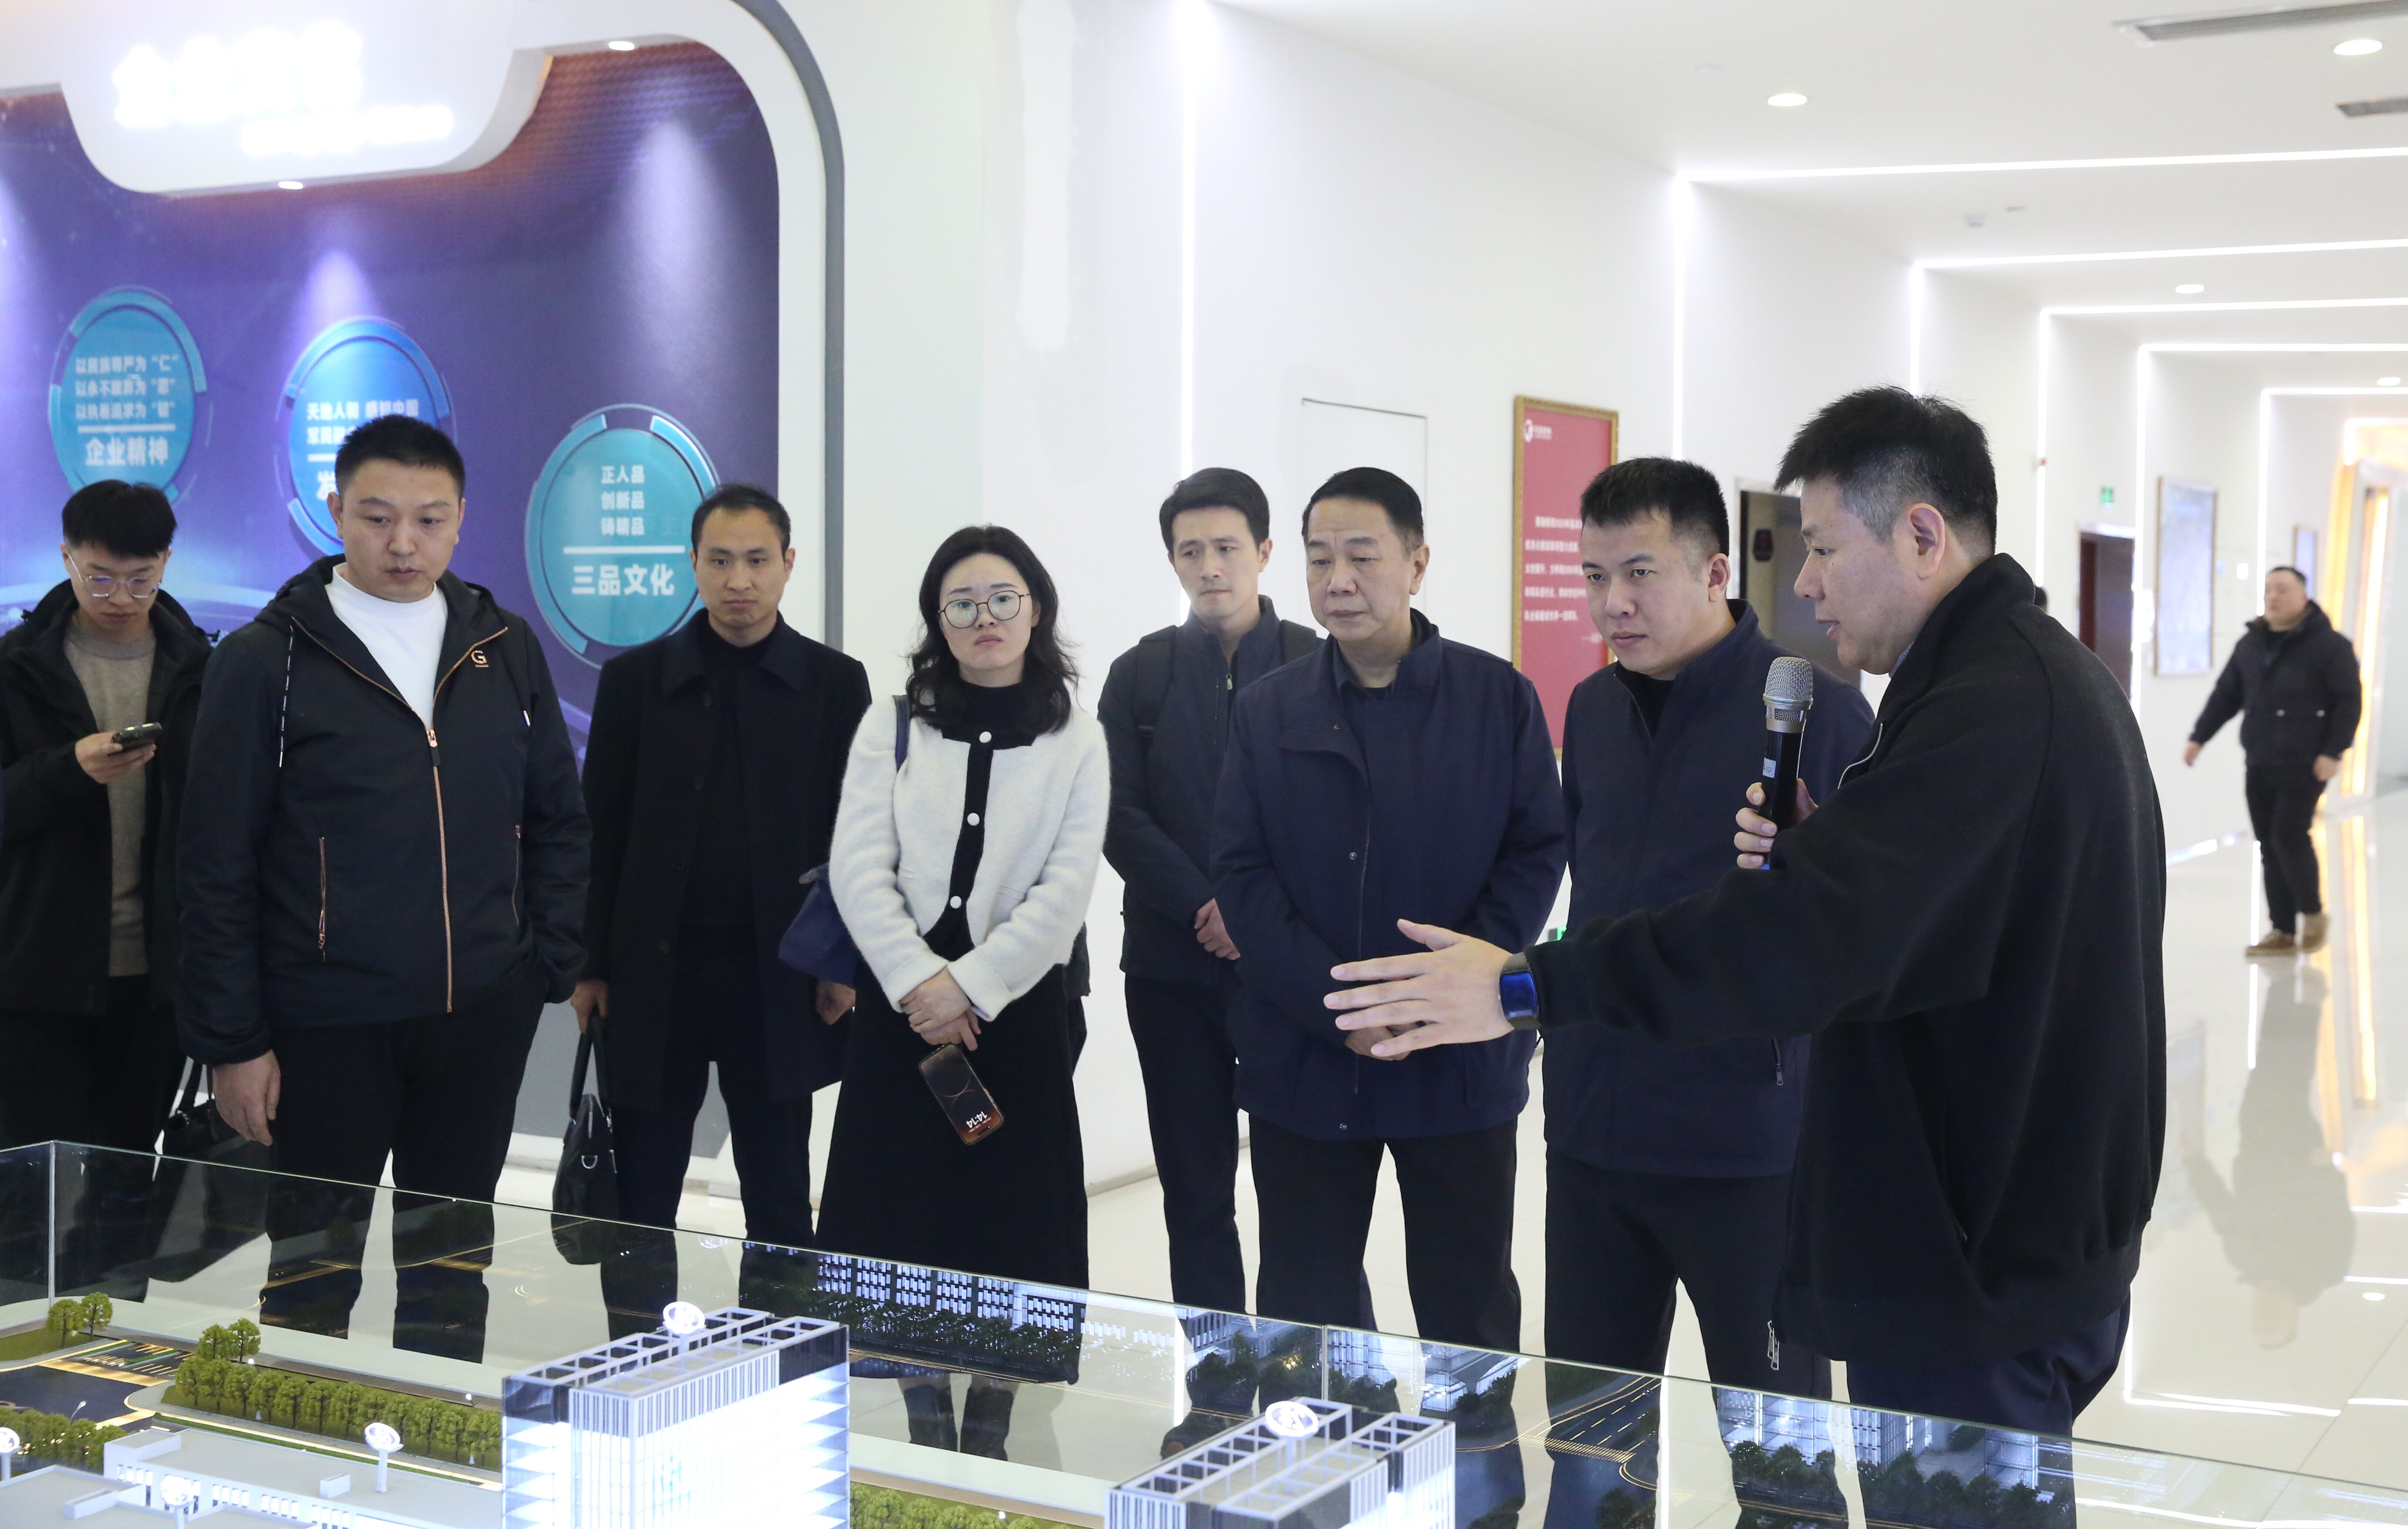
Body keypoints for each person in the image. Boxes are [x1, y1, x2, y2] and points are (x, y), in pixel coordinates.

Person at [1325, 389, 2165, 1440]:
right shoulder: (2006, 683)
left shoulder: (1988, 709)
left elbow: (1797, 936)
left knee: (1827, 1470)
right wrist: (1824, 855)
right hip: (1947, 1231)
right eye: (1594, 577)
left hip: (1967, 1250)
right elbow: (1894, 918)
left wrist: (1526, 983)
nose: (1804, 580)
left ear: (1920, 535)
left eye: (1821, 546)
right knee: (1598, 1437)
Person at [180, 415, 588, 1361]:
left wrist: (543, 963)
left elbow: (559, 820)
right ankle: (301, 1441)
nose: (403, 542)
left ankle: (436, 1434)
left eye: (428, 520)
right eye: (376, 517)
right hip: (326, 1023)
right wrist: (233, 1041)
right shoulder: (266, 659)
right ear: (335, 512)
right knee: (311, 1273)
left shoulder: (503, 646)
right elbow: (215, 862)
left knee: (451, 1268)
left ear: (460, 519)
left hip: (478, 1015)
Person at [1213, 466, 1566, 1354]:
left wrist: (1441, 992)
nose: (1338, 580)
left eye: (1362, 557)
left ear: (1416, 563)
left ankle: (1473, 1448)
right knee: (1305, 1308)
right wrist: (1344, 1007)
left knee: (1467, 1304)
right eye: (1319, 559)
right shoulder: (1266, 709)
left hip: (1455, 1058)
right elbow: (1242, 873)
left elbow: (1534, 851)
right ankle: (1316, 1446)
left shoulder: (1497, 699)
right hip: (1306, 1058)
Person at [1547, 458, 1872, 1397]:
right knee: (1590, 1432)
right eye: (1595, 576)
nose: (1612, 604)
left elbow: (1859, 937)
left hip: (1746, 1147)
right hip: (1592, 1136)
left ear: (1714, 572)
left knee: (1776, 1446)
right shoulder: (1591, 709)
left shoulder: (1818, 715)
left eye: (1640, 573)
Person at [818, 525, 1108, 1457]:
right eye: (962, 603)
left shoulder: (1078, 736)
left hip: (1014, 1014)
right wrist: (918, 982)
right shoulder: (894, 722)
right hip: (901, 1009)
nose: (985, 617)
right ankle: (917, 1400)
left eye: (1003, 599)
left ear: (1036, 609)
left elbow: (1065, 891)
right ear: (937, 620)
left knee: (1010, 1216)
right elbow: (857, 863)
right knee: (900, 1207)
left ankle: (995, 1408)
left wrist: (972, 988)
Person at [574, 484, 870, 1329]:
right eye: (720, 560)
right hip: (652, 980)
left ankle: (783, 1365)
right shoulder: (635, 682)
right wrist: (590, 967)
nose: (739, 580)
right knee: (642, 1198)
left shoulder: (834, 684)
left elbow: (857, 837)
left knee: (779, 1196)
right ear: (693, 565)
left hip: (780, 981)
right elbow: (600, 830)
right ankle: (634, 1360)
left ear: (788, 564)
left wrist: (843, 966)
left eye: (757, 560)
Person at [1099, 467, 1319, 1315]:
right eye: (1190, 551)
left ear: (1264, 552)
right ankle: (1218, 1370)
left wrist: (1251, 914)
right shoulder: (1139, 674)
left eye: (1226, 547)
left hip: (1288, 972)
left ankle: (1311, 1366)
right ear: (1172, 561)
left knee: (1305, 1190)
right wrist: (1204, 904)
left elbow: (1335, 815)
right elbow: (1116, 812)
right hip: (1170, 970)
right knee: (1194, 1189)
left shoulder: (1316, 663)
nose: (1209, 566)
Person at [0, 482, 209, 1160]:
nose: (120, 597)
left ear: (166, 562)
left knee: (127, 1180)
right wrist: (68, 769)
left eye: (140, 579)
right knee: (31, 1184)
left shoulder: (203, 671)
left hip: (156, 981)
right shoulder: (16, 668)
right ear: (66, 557)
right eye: (100, 578)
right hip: (38, 977)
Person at [2184, 565, 2360, 957]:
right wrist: (2199, 737)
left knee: (2288, 834)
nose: (2273, 597)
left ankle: (2312, 913)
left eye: (2282, 590)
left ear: (2304, 597)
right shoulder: (2251, 644)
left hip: (2306, 761)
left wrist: (2333, 752)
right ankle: (2281, 930)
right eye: (2268, 590)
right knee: (2268, 842)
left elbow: (2349, 702)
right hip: (2261, 757)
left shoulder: (2330, 646)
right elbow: (2226, 695)